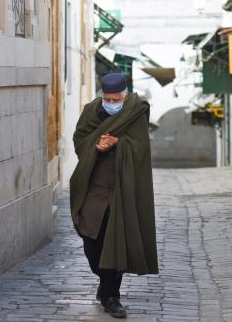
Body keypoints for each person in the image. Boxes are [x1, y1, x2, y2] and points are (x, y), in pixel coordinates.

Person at [69, 73, 159, 319]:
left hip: (122, 187)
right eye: (107, 98)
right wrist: (97, 146)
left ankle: (112, 296)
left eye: (116, 98)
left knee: (115, 240)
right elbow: (79, 140)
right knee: (90, 241)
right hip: (94, 187)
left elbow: (141, 146)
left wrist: (119, 142)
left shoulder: (136, 110)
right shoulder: (91, 111)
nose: (112, 102)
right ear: (102, 96)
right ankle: (103, 278)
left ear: (125, 95)